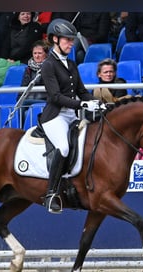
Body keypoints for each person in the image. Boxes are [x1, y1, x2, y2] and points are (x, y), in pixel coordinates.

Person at [39, 18, 103, 213]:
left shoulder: (72, 64)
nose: (71, 43)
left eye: (71, 40)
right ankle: (51, 194)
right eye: (67, 40)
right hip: (55, 116)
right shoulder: (48, 65)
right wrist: (81, 103)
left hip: (72, 114)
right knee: (64, 148)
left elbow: (82, 91)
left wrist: (97, 102)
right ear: (55, 39)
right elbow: (55, 96)